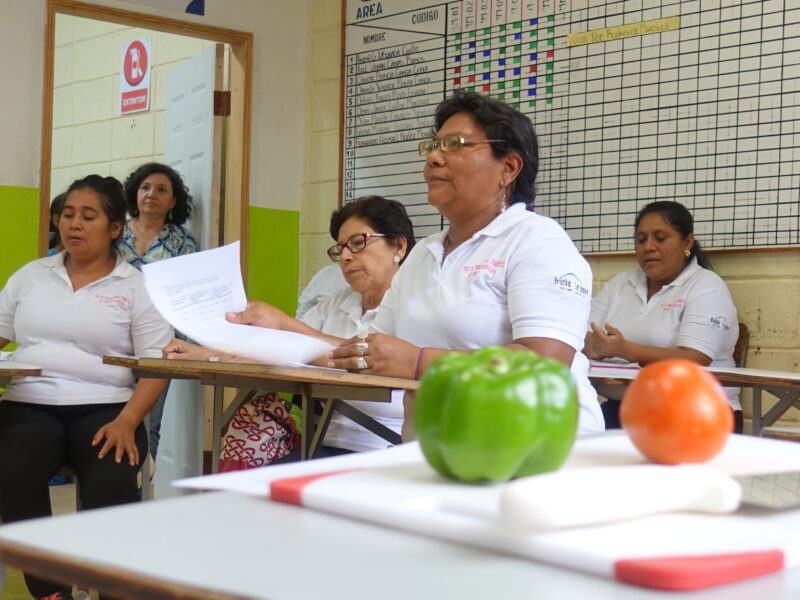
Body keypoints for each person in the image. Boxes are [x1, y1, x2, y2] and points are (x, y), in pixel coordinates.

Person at [213, 91, 605, 436]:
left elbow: (545, 365)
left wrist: (418, 362)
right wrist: (255, 339)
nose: (434, 158)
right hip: (440, 451)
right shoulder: (425, 254)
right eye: (432, 147)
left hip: (538, 450)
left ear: (508, 168)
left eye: (454, 145)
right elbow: (365, 353)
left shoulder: (537, 241)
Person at [0, 174, 173, 600]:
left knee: (111, 485)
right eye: (68, 214)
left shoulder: (138, 286)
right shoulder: (31, 276)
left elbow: (156, 366)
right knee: (9, 471)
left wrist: (128, 420)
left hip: (109, 408)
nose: (73, 224)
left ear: (115, 228)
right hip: (29, 402)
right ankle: (50, 590)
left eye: (88, 216)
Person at [165, 195, 416, 458]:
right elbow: (276, 349)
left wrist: (285, 323)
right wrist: (207, 354)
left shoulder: (416, 307)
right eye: (340, 248)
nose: (345, 257)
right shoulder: (336, 303)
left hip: (384, 445)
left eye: (357, 243)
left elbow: (361, 356)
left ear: (398, 246)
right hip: (318, 438)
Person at [583, 200, 741, 432]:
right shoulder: (619, 284)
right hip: (626, 410)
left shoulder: (705, 285)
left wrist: (622, 349)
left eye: (660, 238)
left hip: (697, 413)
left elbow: (695, 359)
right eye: (641, 239)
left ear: (687, 242)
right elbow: (582, 336)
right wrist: (592, 346)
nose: (649, 247)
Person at [121, 162, 198, 458]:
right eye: (145, 187)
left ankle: (143, 491)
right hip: (113, 330)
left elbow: (187, 294)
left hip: (159, 340)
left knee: (150, 421)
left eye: (162, 189)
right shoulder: (114, 234)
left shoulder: (183, 242)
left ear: (173, 201)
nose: (152, 194)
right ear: (135, 194)